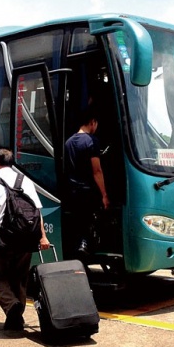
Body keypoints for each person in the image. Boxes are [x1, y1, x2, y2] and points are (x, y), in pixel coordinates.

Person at [0, 149, 50, 331]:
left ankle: (12, 306)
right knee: (19, 279)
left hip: (2, 240)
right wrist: (42, 236)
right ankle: (15, 320)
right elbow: (37, 212)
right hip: (26, 238)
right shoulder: (25, 182)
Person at [64, 105, 110, 256]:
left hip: (72, 190)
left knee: (77, 221)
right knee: (91, 220)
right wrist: (104, 194)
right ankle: (86, 247)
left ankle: (78, 250)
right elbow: (97, 170)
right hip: (87, 191)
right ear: (92, 122)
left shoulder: (69, 142)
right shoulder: (91, 141)